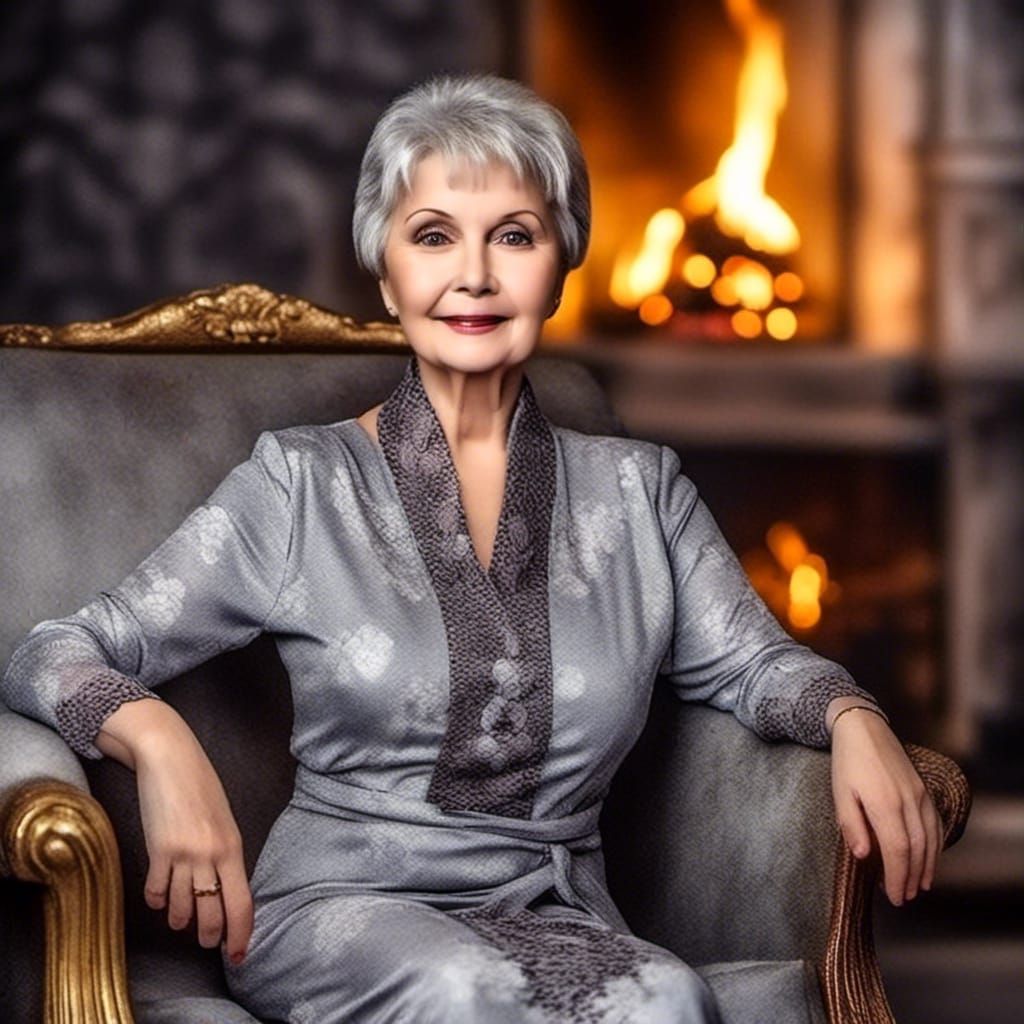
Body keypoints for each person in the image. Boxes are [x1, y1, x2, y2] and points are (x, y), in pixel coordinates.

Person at [1, 73, 941, 1023]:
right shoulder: (300, 484)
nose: (476, 275)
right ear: (387, 271)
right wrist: (160, 741)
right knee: (468, 989)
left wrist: (852, 717)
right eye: (434, 235)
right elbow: (52, 653)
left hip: (559, 913)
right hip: (336, 911)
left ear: (563, 264)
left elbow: (755, 664)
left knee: (666, 997)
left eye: (515, 237)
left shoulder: (640, 493)